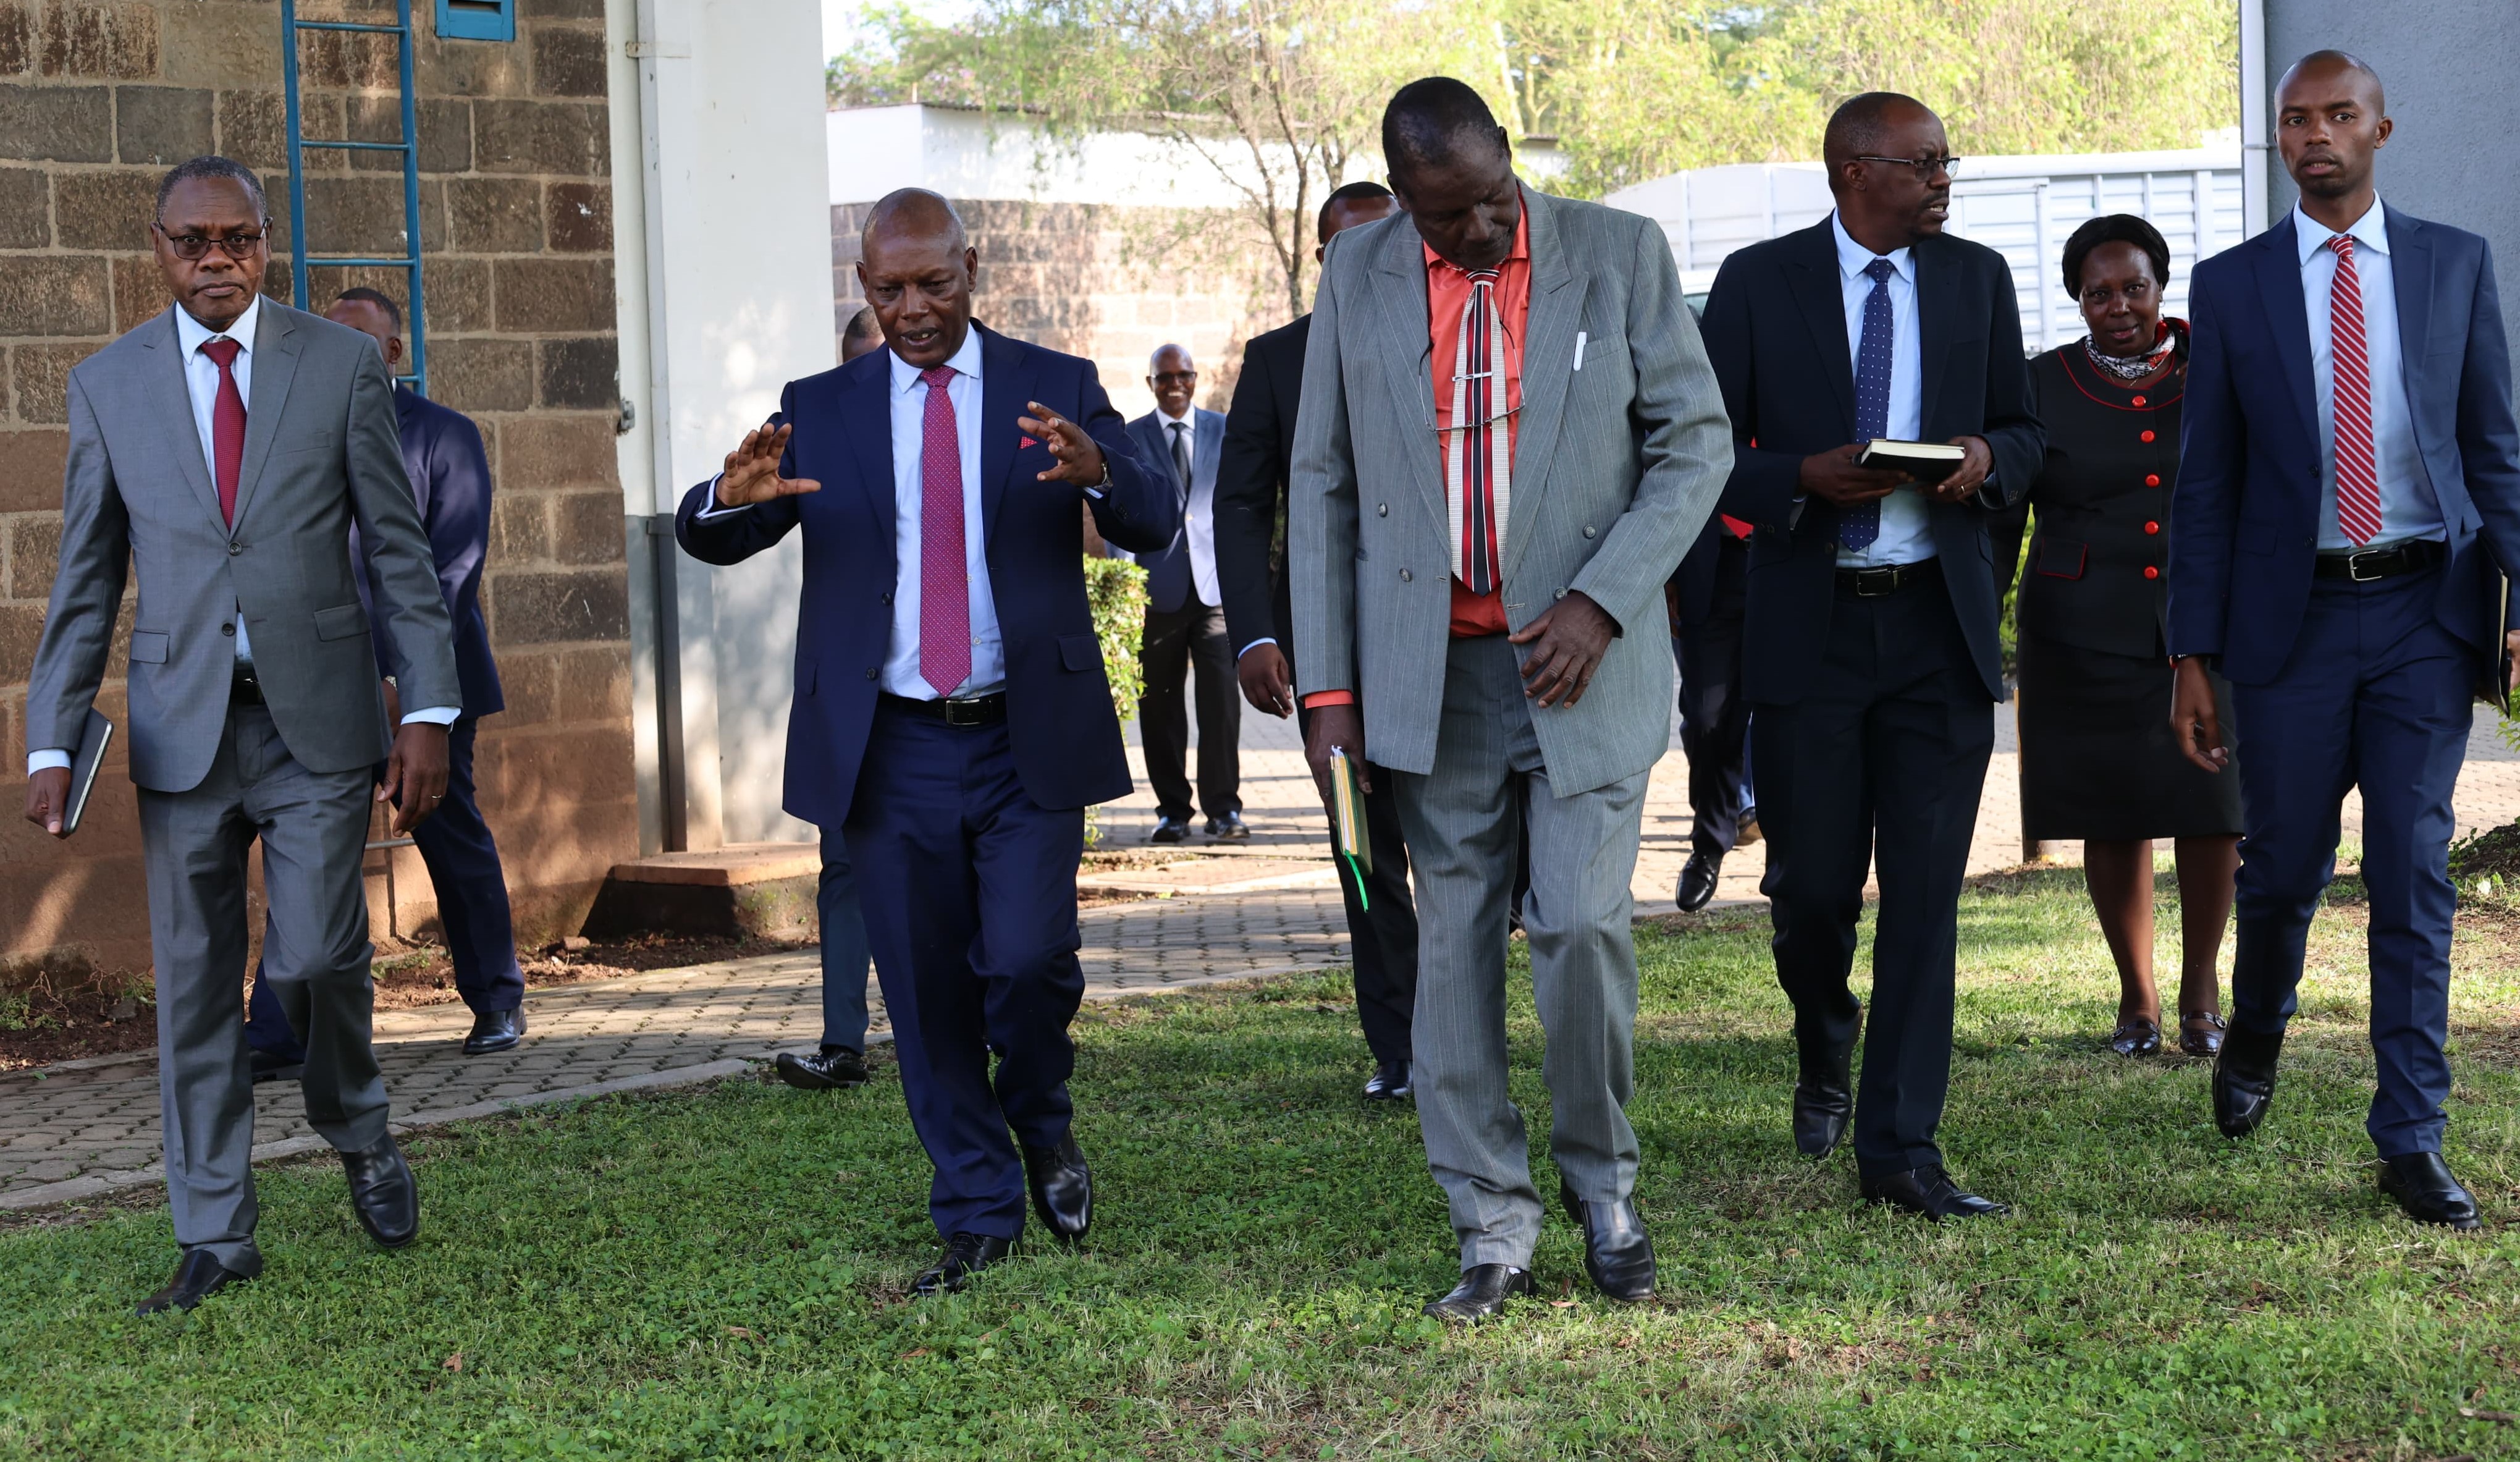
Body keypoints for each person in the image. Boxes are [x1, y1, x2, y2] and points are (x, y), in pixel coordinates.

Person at [675, 188, 1176, 1293]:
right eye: (887, 288)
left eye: (932, 283)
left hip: (1022, 735)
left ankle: (1041, 1114)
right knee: (923, 990)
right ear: (862, 286)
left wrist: (1102, 472)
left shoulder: (1057, 384)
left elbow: (1155, 513)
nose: (911, 308)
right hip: (886, 749)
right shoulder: (824, 403)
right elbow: (721, 529)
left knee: (1028, 960)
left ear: (973, 267)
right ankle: (978, 1209)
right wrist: (722, 494)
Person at [1291, 78, 1729, 1322]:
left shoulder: (1616, 252)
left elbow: (1691, 442)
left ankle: (1604, 1188)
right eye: (1446, 221)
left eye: (1491, 202)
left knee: (1583, 930)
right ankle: (1488, 1220)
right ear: (1406, 205)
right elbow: (1321, 482)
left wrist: (1601, 598)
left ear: (1506, 161)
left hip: (1579, 660)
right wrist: (1329, 688)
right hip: (1431, 679)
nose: (1477, 233)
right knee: (1450, 955)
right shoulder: (1357, 274)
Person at [20, 156, 462, 1314]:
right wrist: (51, 740)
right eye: (191, 241)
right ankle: (214, 1230)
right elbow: (85, 581)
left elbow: (400, 551)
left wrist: (426, 705)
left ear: (268, 244)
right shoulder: (109, 384)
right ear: (156, 250)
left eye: (239, 239)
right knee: (200, 986)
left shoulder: (339, 365)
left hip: (316, 719)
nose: (216, 259)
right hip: (180, 730)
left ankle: (358, 1126)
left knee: (316, 959)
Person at [2169, 51, 2520, 1230]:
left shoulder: (2451, 266)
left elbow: (2493, 450)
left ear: (2380, 128)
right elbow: (2202, 485)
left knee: (2413, 871)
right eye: (2292, 120)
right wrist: (2188, 655)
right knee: (2278, 871)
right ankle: (2255, 1025)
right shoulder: (2230, 288)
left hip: (2422, 612)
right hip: (2290, 623)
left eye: (2335, 117)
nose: (2311, 135)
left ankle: (2409, 1134)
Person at [1700, 93, 2042, 1219]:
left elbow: (2025, 433)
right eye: (1924, 163)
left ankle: (1900, 1149)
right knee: (1808, 893)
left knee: (1924, 901)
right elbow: (1693, 446)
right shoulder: (1757, 283)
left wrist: (1985, 452)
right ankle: (1820, 1035)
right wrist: (1797, 478)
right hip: (1809, 627)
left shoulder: (1974, 279)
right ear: (1853, 169)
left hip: (1934, 633)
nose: (1944, 179)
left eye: (1947, 160)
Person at [242, 287, 526, 1071]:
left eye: (361, 343)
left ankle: (497, 997)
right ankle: (279, 1030)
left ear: (394, 354)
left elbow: (454, 567)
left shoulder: (445, 436)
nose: (342, 357)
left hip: (428, 689)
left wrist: (408, 681)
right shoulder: (295, 433)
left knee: (448, 830)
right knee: (310, 845)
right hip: (323, 687)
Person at [2012, 216, 2242, 1060]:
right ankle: (2137, 998)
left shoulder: (2214, 373)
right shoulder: (2038, 382)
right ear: (2076, 298)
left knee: (2210, 807)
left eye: (2132, 287)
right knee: (2113, 810)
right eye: (2097, 291)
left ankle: (2201, 993)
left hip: (2207, 625)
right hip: (2080, 628)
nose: (2117, 305)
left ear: (2160, 286)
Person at [1215, 180, 1422, 1102]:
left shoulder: (1452, 339)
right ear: (1321, 261)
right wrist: (1254, 633)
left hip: (1443, 645)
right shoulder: (1276, 360)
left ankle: (1465, 1013)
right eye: (1347, 247)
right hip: (1326, 659)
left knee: (1471, 841)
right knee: (1362, 851)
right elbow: (1241, 503)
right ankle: (1401, 1047)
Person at [775, 305, 888, 1093]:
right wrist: (726, 495)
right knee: (843, 869)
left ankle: (986, 1026)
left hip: (952, 706)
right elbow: (726, 526)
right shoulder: (816, 427)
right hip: (849, 703)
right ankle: (842, 1043)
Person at [1129, 345, 1245, 843]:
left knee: (1221, 701)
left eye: (1184, 375)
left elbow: (1243, 502)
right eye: (1165, 377)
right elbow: (1120, 509)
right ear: (1151, 382)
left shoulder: (1224, 429)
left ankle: (1224, 810)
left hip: (1215, 588)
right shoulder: (1131, 436)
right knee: (1159, 704)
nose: (1175, 384)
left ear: (1195, 379)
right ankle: (1172, 812)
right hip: (1159, 588)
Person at [1669, 512, 1757, 911]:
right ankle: (1709, 843)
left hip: (1799, 553)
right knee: (1706, 716)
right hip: (1711, 561)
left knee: (1791, 713)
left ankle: (1799, 848)